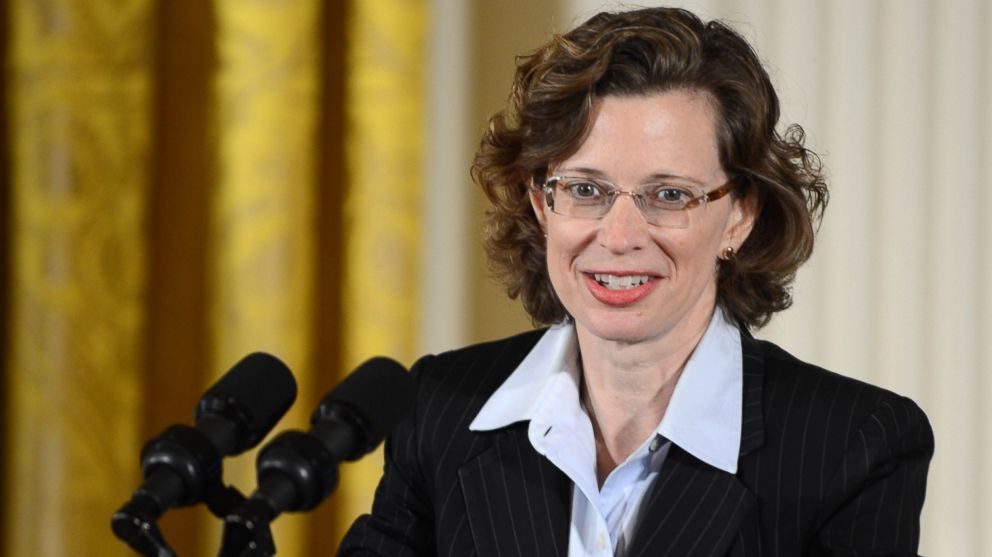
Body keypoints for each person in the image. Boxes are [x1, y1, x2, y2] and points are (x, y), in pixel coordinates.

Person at [339, 7, 933, 556]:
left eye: (668, 195)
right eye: (585, 189)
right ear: (540, 203)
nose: (619, 236)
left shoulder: (855, 446)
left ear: (740, 216)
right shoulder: (440, 408)